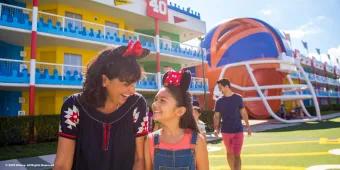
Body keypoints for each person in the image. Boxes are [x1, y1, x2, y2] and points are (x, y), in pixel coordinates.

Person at [54, 40, 150, 170]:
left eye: (134, 84)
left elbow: (140, 159)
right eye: (126, 84)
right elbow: (62, 165)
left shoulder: (137, 104)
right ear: (105, 80)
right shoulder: (73, 106)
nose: (132, 91)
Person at [144, 69, 209, 170]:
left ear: (180, 111)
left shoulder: (197, 141)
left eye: (162, 100)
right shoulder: (150, 140)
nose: (154, 104)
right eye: (155, 99)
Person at [213, 78, 252, 170]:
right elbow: (216, 116)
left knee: (237, 155)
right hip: (226, 131)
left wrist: (248, 126)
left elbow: (243, 112)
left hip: (238, 130)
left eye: (220, 87)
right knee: (229, 153)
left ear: (226, 86)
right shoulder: (219, 101)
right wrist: (216, 128)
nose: (219, 90)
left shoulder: (238, 98)